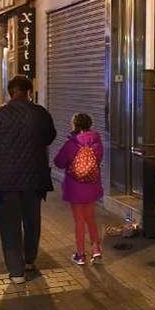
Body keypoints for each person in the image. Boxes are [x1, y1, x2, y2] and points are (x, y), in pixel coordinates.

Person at [0, 75, 56, 284]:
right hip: (34, 179)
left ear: (10, 92)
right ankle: (29, 259)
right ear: (29, 91)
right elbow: (50, 137)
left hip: (4, 181)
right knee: (32, 221)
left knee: (9, 225)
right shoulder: (40, 113)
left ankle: (17, 271)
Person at [53, 113, 104, 265]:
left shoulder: (72, 144)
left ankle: (80, 255)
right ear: (90, 125)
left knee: (79, 221)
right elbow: (98, 160)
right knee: (91, 219)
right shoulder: (97, 142)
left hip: (75, 187)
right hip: (91, 185)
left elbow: (59, 162)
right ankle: (96, 250)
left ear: (75, 125)